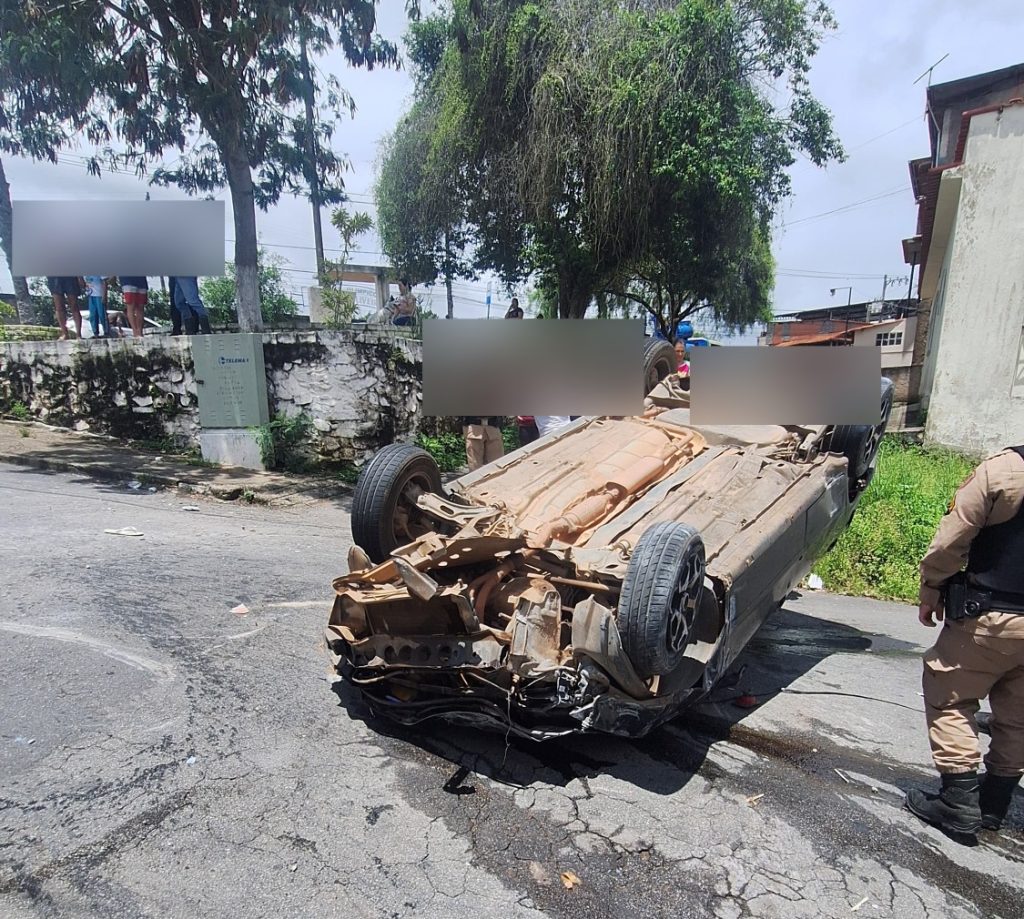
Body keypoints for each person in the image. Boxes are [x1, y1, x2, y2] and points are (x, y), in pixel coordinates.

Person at [906, 446, 1024, 838]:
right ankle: (993, 805)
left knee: (951, 697)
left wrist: (931, 587)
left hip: (992, 617)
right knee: (1017, 717)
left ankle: (958, 800)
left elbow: (951, 539)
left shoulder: (1006, 470)